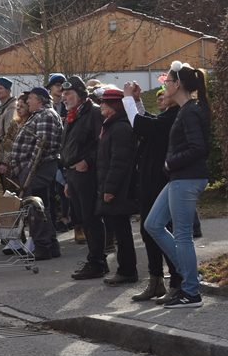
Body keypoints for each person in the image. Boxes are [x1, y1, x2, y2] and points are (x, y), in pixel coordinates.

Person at [143, 61, 211, 308]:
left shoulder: (191, 111)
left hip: (187, 178)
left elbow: (198, 148)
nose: (164, 85)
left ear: (178, 84)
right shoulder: (186, 110)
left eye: (167, 81)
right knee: (153, 224)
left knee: (182, 235)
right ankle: (190, 275)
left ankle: (191, 292)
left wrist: (171, 163)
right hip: (179, 178)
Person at [123, 84, 181, 301]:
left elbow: (142, 126)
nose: (162, 93)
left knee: (163, 230)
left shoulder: (177, 115)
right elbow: (151, 123)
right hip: (149, 180)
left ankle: (177, 280)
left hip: (160, 180)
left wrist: (128, 100)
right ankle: (156, 280)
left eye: (167, 88)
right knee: (149, 232)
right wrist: (137, 102)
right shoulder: (168, 115)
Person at [2, 87, 64, 259]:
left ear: (41, 100)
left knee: (36, 208)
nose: (27, 101)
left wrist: (28, 169)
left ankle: (43, 247)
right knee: (41, 207)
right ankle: (50, 245)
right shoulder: (40, 115)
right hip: (34, 169)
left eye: (31, 98)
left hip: (39, 169)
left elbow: (42, 147)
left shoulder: (46, 115)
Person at [60, 77, 107, 280]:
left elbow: (103, 144)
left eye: (68, 94)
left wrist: (88, 160)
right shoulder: (73, 114)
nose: (64, 98)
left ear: (80, 94)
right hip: (74, 174)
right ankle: (94, 259)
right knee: (82, 219)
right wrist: (68, 179)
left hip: (87, 174)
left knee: (91, 218)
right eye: (63, 94)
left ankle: (97, 261)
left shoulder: (94, 112)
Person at [94, 88, 138, 285]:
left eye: (105, 102)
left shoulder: (120, 128)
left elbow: (119, 162)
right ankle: (125, 269)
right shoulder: (111, 125)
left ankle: (127, 271)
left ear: (114, 106)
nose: (101, 105)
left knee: (122, 231)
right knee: (119, 230)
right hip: (112, 187)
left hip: (118, 190)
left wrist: (110, 189)